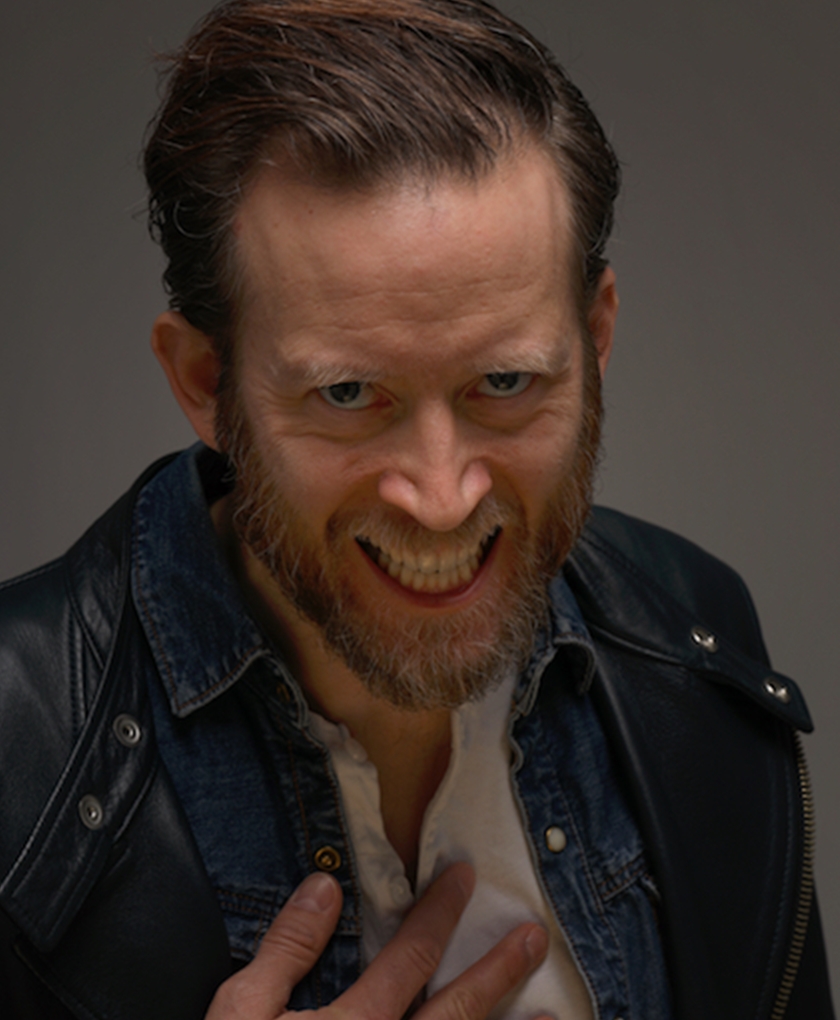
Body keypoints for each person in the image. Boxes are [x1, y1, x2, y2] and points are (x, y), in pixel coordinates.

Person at [0, 1, 833, 1018]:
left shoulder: (699, 645)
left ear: (597, 340)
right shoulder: (14, 744)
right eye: (348, 394)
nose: (442, 501)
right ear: (204, 382)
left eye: (506, 382)